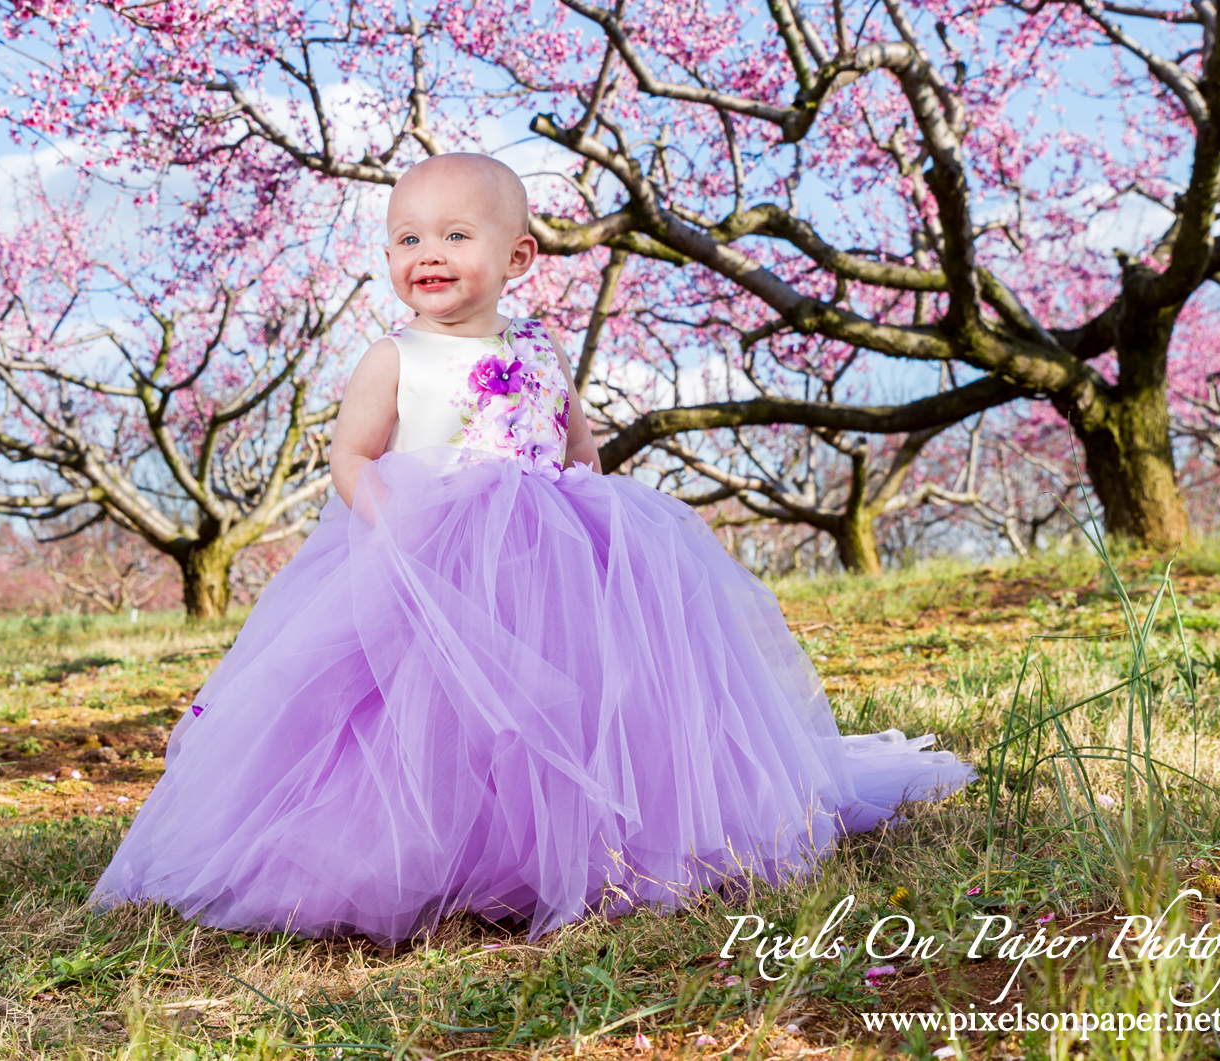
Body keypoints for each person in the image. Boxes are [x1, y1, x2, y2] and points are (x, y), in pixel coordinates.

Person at [88, 153, 974, 945]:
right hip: (430, 559)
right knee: (428, 716)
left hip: (544, 563)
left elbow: (579, 450)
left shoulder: (541, 350)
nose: (426, 252)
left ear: (516, 258)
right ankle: (421, 854)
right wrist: (390, 523)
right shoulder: (394, 357)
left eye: (455, 233)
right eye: (406, 237)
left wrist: (592, 518)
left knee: (572, 707)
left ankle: (573, 846)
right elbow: (350, 458)